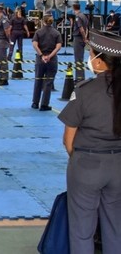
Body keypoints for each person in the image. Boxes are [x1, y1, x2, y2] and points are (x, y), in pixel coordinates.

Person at [58, 30, 121, 254]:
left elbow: (68, 140)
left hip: (87, 165)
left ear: (100, 61)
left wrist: (81, 161)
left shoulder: (85, 91)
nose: (90, 59)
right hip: (118, 166)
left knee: (82, 229)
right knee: (115, 228)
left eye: (92, 54)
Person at [31, 15, 62, 111]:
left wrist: (41, 56)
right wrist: (50, 56)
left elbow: (35, 45)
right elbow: (58, 47)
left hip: (40, 60)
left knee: (38, 80)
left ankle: (35, 103)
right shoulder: (56, 33)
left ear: (43, 21)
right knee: (48, 82)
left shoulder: (38, 32)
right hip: (51, 60)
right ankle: (44, 104)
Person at [72, 2, 90, 83]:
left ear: (73, 8)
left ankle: (80, 78)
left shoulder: (78, 17)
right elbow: (87, 28)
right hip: (82, 39)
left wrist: (84, 38)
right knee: (80, 58)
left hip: (78, 38)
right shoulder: (84, 16)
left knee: (78, 59)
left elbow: (81, 29)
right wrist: (86, 37)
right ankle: (80, 77)